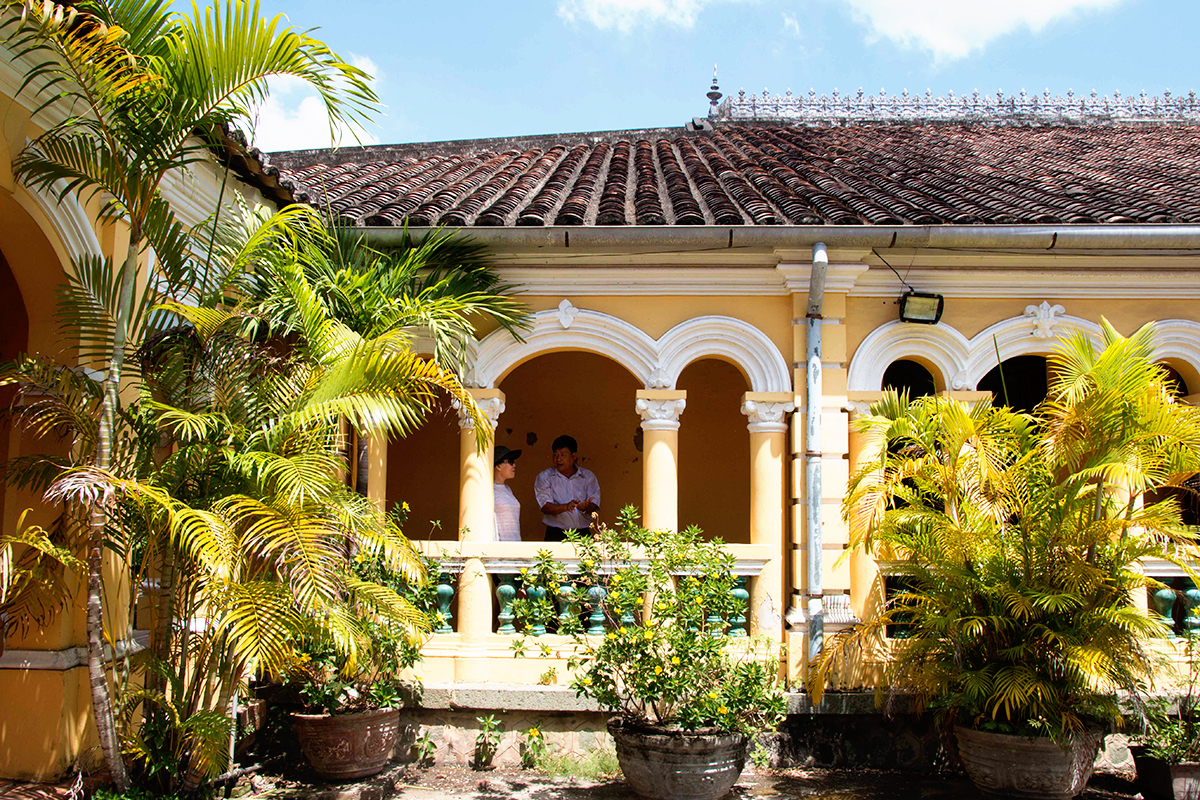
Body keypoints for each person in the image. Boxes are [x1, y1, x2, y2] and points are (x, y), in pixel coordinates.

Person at [534, 435, 600, 541]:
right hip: (555, 534)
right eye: (555, 455)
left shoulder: (588, 476)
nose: (558, 459)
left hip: (582, 533)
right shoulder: (545, 477)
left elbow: (594, 504)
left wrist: (585, 507)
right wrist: (566, 507)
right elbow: (545, 506)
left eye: (563, 455)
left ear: (574, 456)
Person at [493, 445, 522, 541]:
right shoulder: (489, 490)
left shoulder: (507, 489)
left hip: (515, 544)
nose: (514, 465)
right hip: (501, 546)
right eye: (510, 461)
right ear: (498, 466)